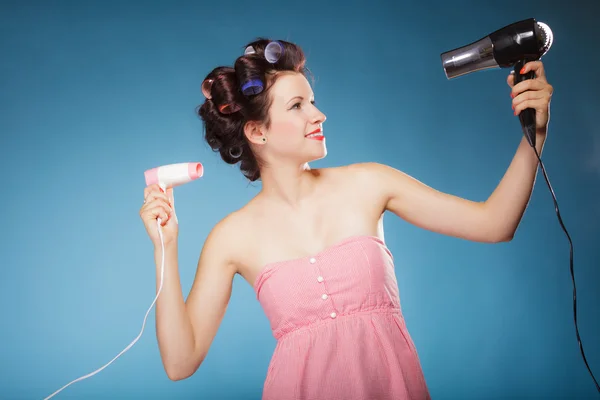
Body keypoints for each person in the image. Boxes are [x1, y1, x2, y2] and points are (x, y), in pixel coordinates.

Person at [139, 38, 553, 399]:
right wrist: (166, 247)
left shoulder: (369, 182)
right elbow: (180, 362)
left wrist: (532, 136)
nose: (318, 116)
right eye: (298, 106)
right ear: (257, 132)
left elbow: (494, 223)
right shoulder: (230, 237)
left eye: (313, 102)